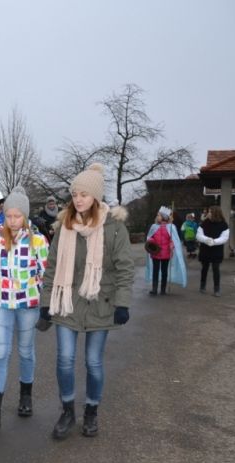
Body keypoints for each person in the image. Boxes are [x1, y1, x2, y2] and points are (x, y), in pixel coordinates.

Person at [39, 163, 134, 440]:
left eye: (84, 194)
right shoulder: (65, 226)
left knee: (93, 362)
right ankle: (68, 410)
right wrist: (46, 302)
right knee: (65, 359)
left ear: (95, 196)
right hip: (67, 302)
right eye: (75, 194)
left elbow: (125, 268)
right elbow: (52, 267)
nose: (78, 199)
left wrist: (122, 303)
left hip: (100, 302)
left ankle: (91, 410)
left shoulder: (114, 227)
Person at [0, 186, 49, 429]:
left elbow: (46, 275)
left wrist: (47, 307)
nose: (12, 221)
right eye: (8, 216)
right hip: (2, 303)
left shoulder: (38, 241)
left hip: (28, 305)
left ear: (25, 215)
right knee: (0, 353)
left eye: (17, 216)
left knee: (26, 351)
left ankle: (26, 397)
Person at [145, 206, 187, 295]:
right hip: (155, 252)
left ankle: (163, 289)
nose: (157, 217)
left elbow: (173, 239)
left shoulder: (171, 227)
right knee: (155, 271)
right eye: (157, 215)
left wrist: (171, 246)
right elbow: (150, 237)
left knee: (164, 271)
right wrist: (151, 242)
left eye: (158, 215)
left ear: (164, 217)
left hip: (166, 253)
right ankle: (154, 289)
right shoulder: (154, 227)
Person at [196, 205, 229, 297]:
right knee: (204, 268)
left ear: (215, 213)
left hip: (216, 250)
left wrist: (214, 242)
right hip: (205, 249)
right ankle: (202, 286)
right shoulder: (204, 223)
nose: (208, 213)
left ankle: (216, 289)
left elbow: (224, 238)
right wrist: (206, 240)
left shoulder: (223, 224)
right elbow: (198, 235)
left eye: (210, 212)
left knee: (216, 269)